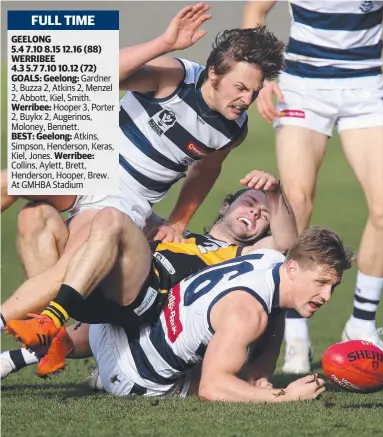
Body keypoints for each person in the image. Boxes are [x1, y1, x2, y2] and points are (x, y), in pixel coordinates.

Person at [0, 3, 285, 337]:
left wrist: (179, 222)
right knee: (8, 180)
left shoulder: (232, 130)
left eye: (254, 91)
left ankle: (43, 326)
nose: (246, 99)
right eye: (239, 88)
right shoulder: (174, 78)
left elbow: (205, 171)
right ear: (213, 75)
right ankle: (54, 330)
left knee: (66, 259)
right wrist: (164, 43)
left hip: (125, 200)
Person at [2, 170, 298, 378]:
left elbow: (284, 243)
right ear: (226, 206)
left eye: (265, 214)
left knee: (113, 220)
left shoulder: (245, 257)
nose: (256, 213)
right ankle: (42, 333)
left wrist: (275, 194)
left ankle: (39, 328)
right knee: (34, 215)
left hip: (150, 310)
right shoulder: (172, 230)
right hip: (102, 298)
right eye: (249, 202)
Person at [242, 0, 383, 373]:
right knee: (296, 200)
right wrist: (261, 78)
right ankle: (295, 331)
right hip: (303, 88)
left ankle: (361, 326)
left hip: (364, 88)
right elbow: (256, 9)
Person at [86, 227, 353, 400]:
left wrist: (260, 377)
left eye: (333, 286)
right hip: (131, 374)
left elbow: (277, 309)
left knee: (241, 377)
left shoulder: (270, 258)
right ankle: (105, 376)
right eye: (321, 283)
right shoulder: (247, 313)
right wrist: (286, 395)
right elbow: (211, 388)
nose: (327, 296)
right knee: (228, 384)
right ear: (293, 269)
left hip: (115, 329)